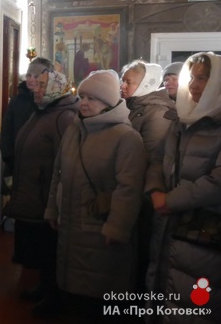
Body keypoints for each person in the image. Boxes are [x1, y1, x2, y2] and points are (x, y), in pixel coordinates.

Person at [45, 70, 146, 320]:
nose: (85, 103)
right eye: (83, 97)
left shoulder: (126, 137)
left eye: (92, 98)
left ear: (108, 102)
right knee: (73, 294)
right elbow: (58, 173)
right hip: (70, 224)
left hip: (100, 229)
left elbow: (129, 188)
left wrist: (117, 227)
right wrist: (52, 209)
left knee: (97, 298)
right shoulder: (74, 130)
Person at [149, 53, 221, 320]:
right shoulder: (182, 117)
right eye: (191, 77)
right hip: (167, 224)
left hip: (203, 230)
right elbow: (158, 159)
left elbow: (217, 180)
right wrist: (155, 191)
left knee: (195, 305)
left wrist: (170, 201)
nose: (193, 84)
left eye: (203, 78)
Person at [4, 69, 78, 318]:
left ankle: (54, 297)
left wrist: (54, 198)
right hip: (35, 192)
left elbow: (64, 161)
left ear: (57, 88)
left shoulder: (64, 116)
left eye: (44, 85)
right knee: (43, 248)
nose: (37, 89)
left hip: (46, 194)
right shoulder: (43, 111)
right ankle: (44, 288)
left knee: (50, 248)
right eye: (37, 85)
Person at [119, 61, 174, 294]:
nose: (122, 86)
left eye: (129, 82)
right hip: (127, 191)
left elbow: (150, 160)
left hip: (141, 197)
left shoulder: (157, 113)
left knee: (140, 253)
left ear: (146, 84)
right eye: (122, 80)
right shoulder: (131, 106)